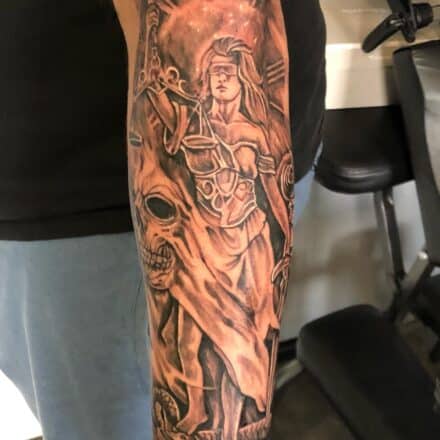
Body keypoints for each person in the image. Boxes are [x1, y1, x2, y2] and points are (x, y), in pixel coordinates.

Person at [0, 1, 326, 439]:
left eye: (228, 73)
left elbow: (211, 13)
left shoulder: (243, 130)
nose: (221, 81)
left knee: (193, 357)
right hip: (83, 198)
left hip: (127, 223)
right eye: (215, 74)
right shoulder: (199, 115)